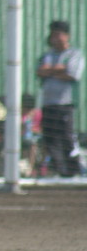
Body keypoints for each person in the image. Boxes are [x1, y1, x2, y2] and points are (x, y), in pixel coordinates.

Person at [36, 20, 84, 177]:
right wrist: (57, 70)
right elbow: (40, 71)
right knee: (50, 137)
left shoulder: (74, 54)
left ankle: (73, 170)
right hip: (48, 102)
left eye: (59, 34)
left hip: (65, 103)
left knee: (66, 137)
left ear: (67, 36)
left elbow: (72, 74)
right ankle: (59, 170)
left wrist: (53, 70)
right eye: (53, 34)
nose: (55, 38)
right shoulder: (48, 55)